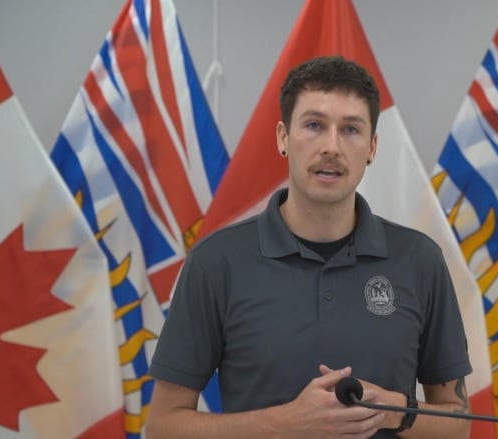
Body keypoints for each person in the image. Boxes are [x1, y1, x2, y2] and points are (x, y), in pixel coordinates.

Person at [145, 56, 473, 439]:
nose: (331, 147)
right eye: (314, 125)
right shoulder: (215, 263)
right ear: (283, 137)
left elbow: (459, 421)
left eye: (351, 129)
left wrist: (394, 412)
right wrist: (286, 424)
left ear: (372, 147)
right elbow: (163, 426)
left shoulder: (420, 260)